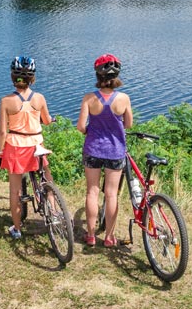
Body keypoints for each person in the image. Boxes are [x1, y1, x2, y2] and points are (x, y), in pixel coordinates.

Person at [76, 53, 133, 247]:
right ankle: (109, 237)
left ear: (97, 76)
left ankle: (91, 235)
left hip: (93, 149)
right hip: (115, 151)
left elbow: (81, 126)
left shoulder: (89, 98)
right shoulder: (123, 98)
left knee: (92, 192)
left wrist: (90, 131)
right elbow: (129, 124)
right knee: (111, 194)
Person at [0, 56, 53, 240]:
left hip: (16, 146)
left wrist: (0, 151)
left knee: (15, 191)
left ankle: (17, 228)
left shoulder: (7, 101)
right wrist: (48, 120)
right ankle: (53, 214)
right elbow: (46, 120)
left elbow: (3, 131)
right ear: (32, 78)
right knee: (47, 179)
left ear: (13, 77)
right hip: (36, 144)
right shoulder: (40, 98)